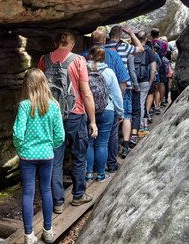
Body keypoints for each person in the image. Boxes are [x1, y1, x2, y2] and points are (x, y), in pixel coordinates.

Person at [38, 32, 97, 213]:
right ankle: (78, 195)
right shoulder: (78, 60)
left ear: (57, 42)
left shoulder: (43, 60)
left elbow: (38, 89)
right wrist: (93, 121)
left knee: (55, 160)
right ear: (71, 43)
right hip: (75, 115)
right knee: (79, 156)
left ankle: (58, 203)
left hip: (50, 116)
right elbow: (86, 93)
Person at [13, 68, 65, 244]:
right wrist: (51, 147)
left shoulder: (24, 106)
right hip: (47, 155)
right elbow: (60, 135)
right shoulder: (54, 106)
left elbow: (18, 134)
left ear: (27, 85)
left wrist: (21, 149)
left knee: (28, 193)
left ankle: (28, 235)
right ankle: (48, 231)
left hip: (27, 156)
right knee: (47, 191)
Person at [89, 30, 129, 173]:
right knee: (107, 139)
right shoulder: (113, 55)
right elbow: (123, 83)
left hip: (88, 108)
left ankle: (89, 171)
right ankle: (110, 165)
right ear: (105, 40)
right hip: (108, 106)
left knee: (89, 141)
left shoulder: (81, 57)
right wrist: (120, 110)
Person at [85, 47, 123, 182]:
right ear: (103, 58)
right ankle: (101, 174)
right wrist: (120, 112)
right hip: (107, 110)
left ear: (90, 56)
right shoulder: (109, 72)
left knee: (89, 143)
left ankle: (88, 174)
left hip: (87, 111)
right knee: (102, 144)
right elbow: (117, 95)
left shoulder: (83, 70)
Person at [105, 25, 143, 159]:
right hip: (124, 86)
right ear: (120, 37)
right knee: (126, 114)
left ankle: (109, 147)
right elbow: (140, 48)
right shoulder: (124, 47)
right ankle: (125, 146)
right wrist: (132, 34)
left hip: (106, 86)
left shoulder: (103, 48)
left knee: (110, 116)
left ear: (109, 35)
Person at [130, 31, 157, 144]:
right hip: (144, 81)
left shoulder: (131, 49)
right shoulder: (149, 51)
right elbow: (153, 69)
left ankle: (131, 127)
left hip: (132, 81)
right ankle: (139, 127)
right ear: (145, 38)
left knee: (131, 104)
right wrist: (150, 82)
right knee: (141, 104)